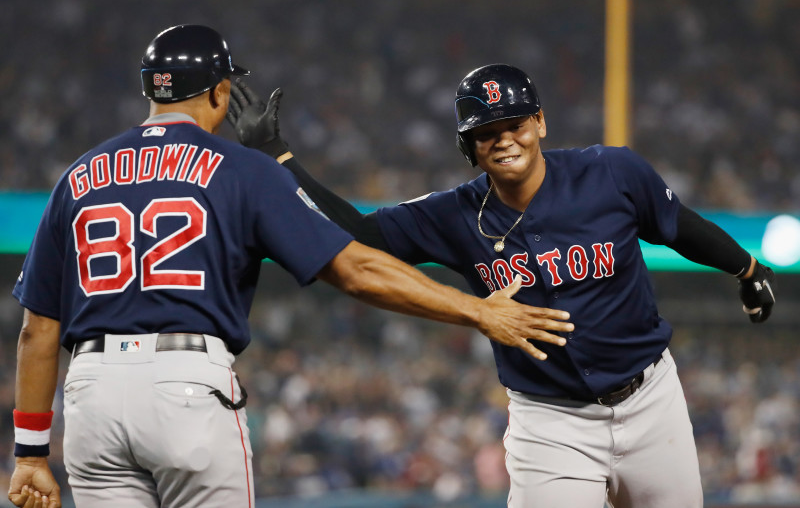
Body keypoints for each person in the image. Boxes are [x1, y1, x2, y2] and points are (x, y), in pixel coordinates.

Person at [8, 32, 575, 508]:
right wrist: (478, 310)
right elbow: (354, 268)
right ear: (220, 91)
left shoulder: (78, 176)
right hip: (184, 385)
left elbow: (38, 329)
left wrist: (31, 453)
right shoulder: (239, 169)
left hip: (90, 395)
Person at [227, 63, 777, 507]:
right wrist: (278, 158)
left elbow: (681, 226)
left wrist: (746, 270)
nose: (503, 140)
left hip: (650, 400)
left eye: (514, 124)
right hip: (550, 420)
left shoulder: (611, 172)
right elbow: (360, 235)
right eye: (485, 133)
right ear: (469, 148)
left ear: (539, 122)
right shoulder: (454, 214)